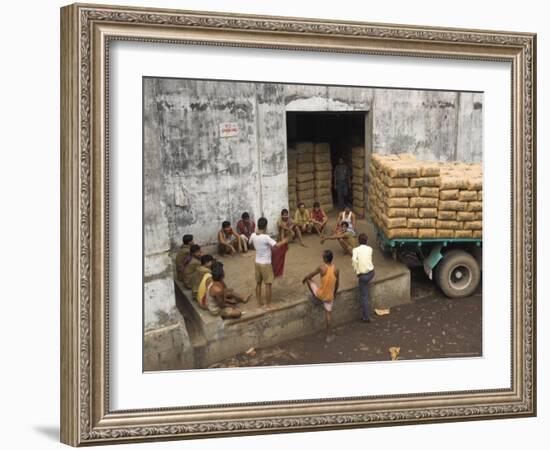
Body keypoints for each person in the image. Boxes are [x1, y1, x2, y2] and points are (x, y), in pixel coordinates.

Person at [249, 217, 289, 309]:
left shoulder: (253, 235)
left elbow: (250, 243)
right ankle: (268, 304)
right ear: (265, 226)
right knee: (268, 284)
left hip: (257, 263)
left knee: (258, 283)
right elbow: (277, 245)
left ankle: (259, 302)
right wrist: (285, 241)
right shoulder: (266, 237)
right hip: (266, 264)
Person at [302, 249, 340, 343]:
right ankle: (328, 336)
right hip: (329, 297)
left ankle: (315, 297)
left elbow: (310, 276)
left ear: (326, 258)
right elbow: (337, 284)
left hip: (320, 294)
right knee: (328, 314)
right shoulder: (336, 269)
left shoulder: (321, 268)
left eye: (323, 256)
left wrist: (304, 279)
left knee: (308, 281)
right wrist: (334, 294)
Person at [352, 233, 375, 323]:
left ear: (358, 241)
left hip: (363, 276)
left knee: (364, 297)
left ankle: (366, 317)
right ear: (367, 241)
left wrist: (357, 271)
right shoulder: (370, 249)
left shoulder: (355, 250)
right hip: (372, 273)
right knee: (365, 287)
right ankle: (365, 285)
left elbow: (354, 260)